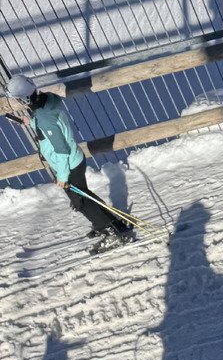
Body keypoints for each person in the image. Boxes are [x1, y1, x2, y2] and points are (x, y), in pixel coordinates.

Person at [3, 71, 134, 252]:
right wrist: (32, 122)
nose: (18, 102)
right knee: (85, 195)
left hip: (68, 165)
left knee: (80, 202)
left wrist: (62, 176)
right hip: (75, 159)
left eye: (18, 99)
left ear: (24, 99)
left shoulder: (44, 118)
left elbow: (61, 149)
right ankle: (111, 223)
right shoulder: (47, 101)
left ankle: (111, 232)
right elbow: (53, 123)